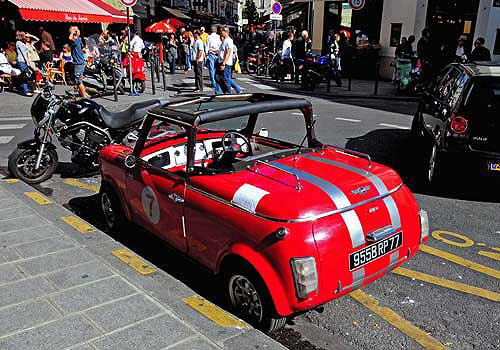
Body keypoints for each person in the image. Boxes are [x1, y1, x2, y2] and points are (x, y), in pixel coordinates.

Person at [217, 27, 241, 94]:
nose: (220, 33)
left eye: (221, 32)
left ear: (225, 32)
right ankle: (226, 91)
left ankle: (228, 92)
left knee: (226, 78)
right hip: (221, 61)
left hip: (226, 63)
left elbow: (228, 52)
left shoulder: (229, 40)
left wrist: (224, 63)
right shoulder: (224, 40)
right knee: (218, 77)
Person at [69, 26, 88, 98]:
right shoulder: (79, 40)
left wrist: (72, 32)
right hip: (80, 62)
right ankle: (83, 93)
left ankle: (84, 96)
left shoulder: (75, 40)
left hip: (78, 63)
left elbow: (70, 38)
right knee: (79, 79)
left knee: (78, 80)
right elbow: (83, 49)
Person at [15, 32, 33, 96]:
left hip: (23, 61)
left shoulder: (22, 43)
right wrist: (28, 62)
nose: (26, 37)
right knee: (26, 75)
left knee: (25, 75)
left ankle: (21, 87)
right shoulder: (19, 43)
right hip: (22, 61)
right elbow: (24, 53)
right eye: (25, 36)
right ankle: (26, 91)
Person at [206, 25, 222, 93]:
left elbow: (206, 47)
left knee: (212, 69)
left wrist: (209, 52)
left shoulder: (208, 37)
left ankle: (213, 82)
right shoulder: (219, 37)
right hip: (217, 54)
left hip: (211, 54)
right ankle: (217, 82)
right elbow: (220, 46)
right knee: (217, 69)